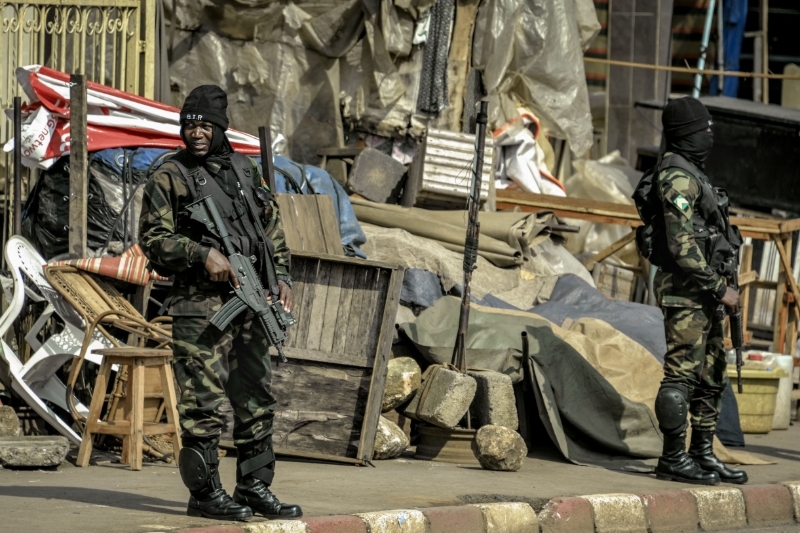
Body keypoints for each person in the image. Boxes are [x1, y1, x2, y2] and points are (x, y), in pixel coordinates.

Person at [139, 85, 302, 520]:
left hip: (251, 302)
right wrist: (200, 254)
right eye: (189, 125)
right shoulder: (168, 175)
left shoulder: (245, 170)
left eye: (204, 125)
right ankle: (205, 494)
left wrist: (281, 276)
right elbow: (151, 240)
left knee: (256, 397)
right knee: (202, 401)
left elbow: (271, 230)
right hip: (199, 307)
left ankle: (253, 486)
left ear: (220, 128)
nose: (196, 133)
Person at [640, 97, 747, 485]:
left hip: (705, 293)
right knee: (681, 377)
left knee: (711, 374)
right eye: (704, 129)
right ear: (687, 133)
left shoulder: (693, 173)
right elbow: (682, 245)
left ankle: (702, 454)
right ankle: (672, 458)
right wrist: (721, 289)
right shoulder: (677, 178)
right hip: (687, 292)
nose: (709, 135)